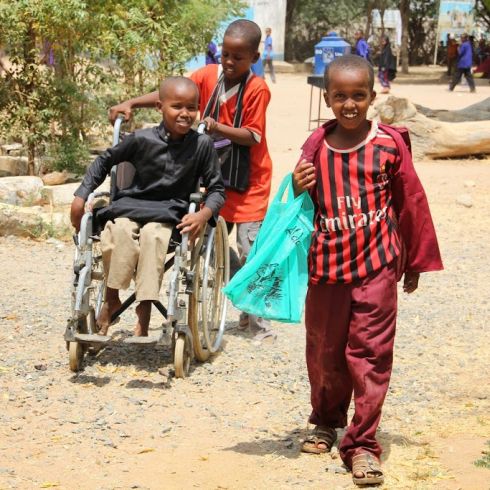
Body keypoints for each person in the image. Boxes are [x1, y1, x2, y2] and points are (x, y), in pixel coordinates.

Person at [292, 55, 443, 486]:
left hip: (376, 268)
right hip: (327, 270)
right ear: (327, 98)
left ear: (372, 97)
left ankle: (362, 445)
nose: (350, 104)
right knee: (324, 351)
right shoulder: (315, 146)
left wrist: (414, 260)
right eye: (340, 96)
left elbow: (411, 202)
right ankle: (325, 420)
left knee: (371, 357)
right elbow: (296, 206)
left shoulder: (389, 145)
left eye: (359, 95)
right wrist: (296, 184)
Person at [108, 20, 275, 340]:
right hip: (212, 174)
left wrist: (217, 127)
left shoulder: (257, 89)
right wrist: (132, 102)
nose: (228, 61)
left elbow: (253, 136)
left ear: (254, 58)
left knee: (250, 247)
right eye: (225, 54)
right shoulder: (207, 76)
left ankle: (258, 323)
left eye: (237, 57)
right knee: (212, 245)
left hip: (249, 180)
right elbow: (170, 93)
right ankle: (241, 293)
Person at [71, 77, 225, 337]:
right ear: (159, 107)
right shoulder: (141, 140)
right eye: (177, 107)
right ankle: (111, 298)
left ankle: (144, 311)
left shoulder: (202, 145)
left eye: (192, 107)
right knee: (118, 230)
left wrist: (203, 214)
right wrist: (81, 195)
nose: (185, 114)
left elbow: (217, 190)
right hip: (131, 206)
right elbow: (104, 161)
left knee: (153, 236)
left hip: (170, 212)